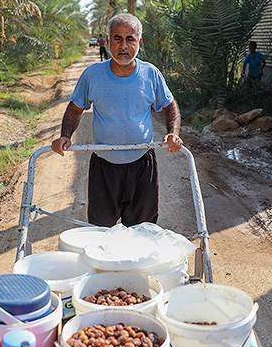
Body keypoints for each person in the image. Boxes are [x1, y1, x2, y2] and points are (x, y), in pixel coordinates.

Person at [51, 13, 182, 227]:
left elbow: (169, 106)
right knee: (101, 231)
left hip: (143, 166)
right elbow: (74, 109)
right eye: (117, 38)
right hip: (104, 168)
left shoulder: (151, 74)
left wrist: (173, 133)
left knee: (143, 230)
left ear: (140, 41)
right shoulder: (92, 75)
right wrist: (65, 136)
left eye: (130, 39)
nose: (123, 46)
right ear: (108, 41)